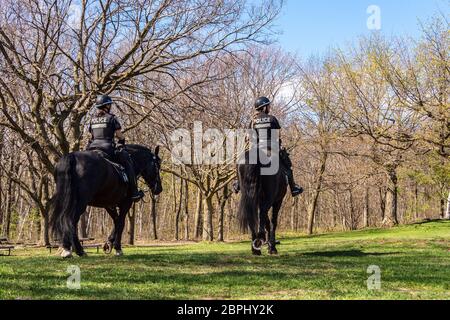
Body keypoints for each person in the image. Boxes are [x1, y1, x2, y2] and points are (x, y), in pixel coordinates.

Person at [233, 96, 303, 197]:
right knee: (288, 165)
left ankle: (238, 183)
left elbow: (249, 138)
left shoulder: (253, 121)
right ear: (265, 107)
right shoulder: (272, 119)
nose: (269, 107)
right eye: (268, 106)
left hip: (256, 148)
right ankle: (294, 188)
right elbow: (276, 136)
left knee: (241, 160)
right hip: (271, 148)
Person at [87, 95, 144, 202]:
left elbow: (92, 135)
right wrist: (122, 141)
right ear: (106, 106)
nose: (110, 106)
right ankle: (134, 192)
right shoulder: (111, 118)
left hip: (92, 148)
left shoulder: (92, 120)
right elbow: (119, 135)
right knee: (127, 161)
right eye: (109, 104)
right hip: (107, 148)